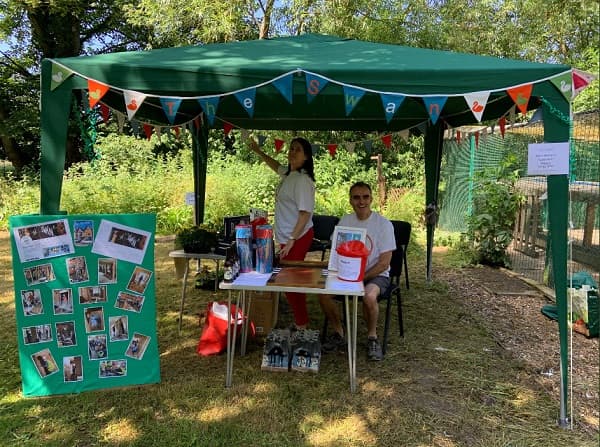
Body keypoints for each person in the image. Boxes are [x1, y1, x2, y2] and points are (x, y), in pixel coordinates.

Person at [319, 181, 396, 361]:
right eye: (356, 197)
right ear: (350, 201)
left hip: (376, 275)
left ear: (371, 199)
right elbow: (337, 251)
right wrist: (339, 273)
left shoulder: (384, 225)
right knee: (323, 294)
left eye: (365, 197)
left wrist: (361, 278)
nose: (361, 201)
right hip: (348, 275)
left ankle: (372, 337)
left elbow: (384, 264)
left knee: (369, 296)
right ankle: (339, 332)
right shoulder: (345, 221)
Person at [249, 137, 316, 329]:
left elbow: (305, 214)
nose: (292, 152)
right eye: (291, 148)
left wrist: (292, 240)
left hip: (298, 236)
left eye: (298, 150)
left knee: (291, 281)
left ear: (306, 157)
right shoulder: (289, 174)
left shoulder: (302, 180)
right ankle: (300, 321)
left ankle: (302, 324)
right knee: (289, 280)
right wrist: (258, 151)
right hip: (287, 237)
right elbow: (276, 166)